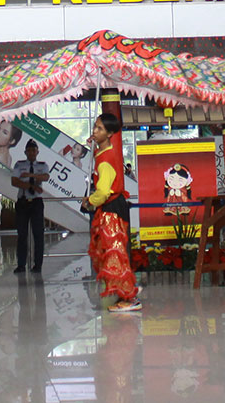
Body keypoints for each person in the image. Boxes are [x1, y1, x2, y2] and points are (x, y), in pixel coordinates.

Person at [83, 113, 141, 312]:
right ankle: (126, 292)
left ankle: (128, 297)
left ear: (109, 133)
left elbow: (103, 191)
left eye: (99, 129)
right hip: (114, 208)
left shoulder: (105, 159)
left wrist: (90, 201)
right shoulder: (107, 152)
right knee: (115, 252)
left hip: (111, 211)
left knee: (115, 253)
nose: (95, 131)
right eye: (95, 127)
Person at [12, 139, 48, 273]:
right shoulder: (19, 164)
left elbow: (45, 177)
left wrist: (30, 175)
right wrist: (31, 185)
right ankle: (21, 264)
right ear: (25, 152)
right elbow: (14, 181)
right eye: (29, 150)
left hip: (37, 203)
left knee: (38, 234)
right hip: (23, 201)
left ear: (37, 152)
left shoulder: (42, 165)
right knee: (22, 235)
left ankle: (38, 265)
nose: (31, 152)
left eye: (34, 150)